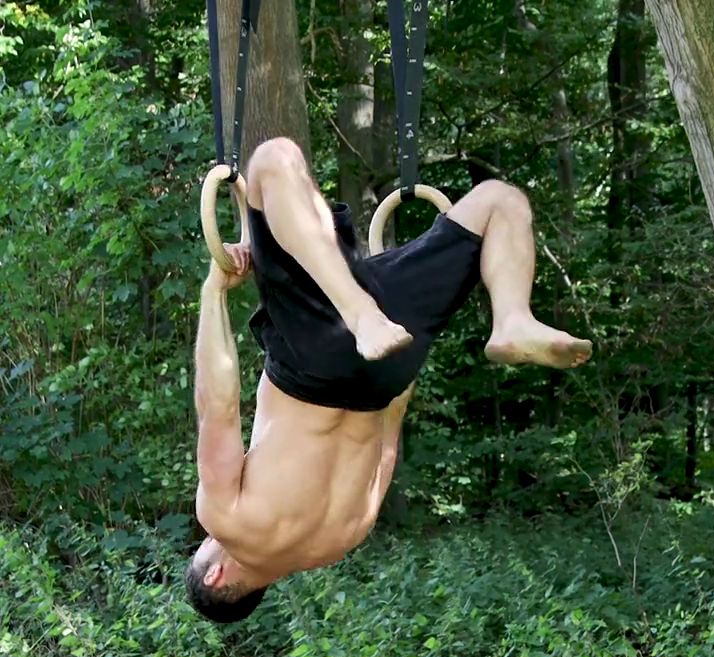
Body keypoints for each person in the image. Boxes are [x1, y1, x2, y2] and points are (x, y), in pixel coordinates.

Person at [185, 137, 592, 622]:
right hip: (319, 354)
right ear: (216, 575)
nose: (209, 537)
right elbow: (218, 404)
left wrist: (405, 345)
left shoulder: (339, 541)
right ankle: (501, 314)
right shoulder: (226, 521)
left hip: (387, 367)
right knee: (272, 159)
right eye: (205, 548)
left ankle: (509, 323)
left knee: (497, 203)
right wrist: (214, 291)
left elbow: (388, 440)